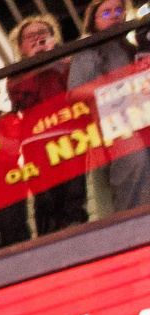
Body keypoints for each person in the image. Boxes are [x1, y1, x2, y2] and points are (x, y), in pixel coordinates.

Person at [8, 15, 88, 238]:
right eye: (30, 36)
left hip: (69, 135)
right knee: (45, 200)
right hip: (37, 143)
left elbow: (76, 93)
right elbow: (21, 102)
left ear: (53, 37)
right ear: (21, 45)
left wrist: (59, 67)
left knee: (74, 194)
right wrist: (37, 67)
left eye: (43, 33)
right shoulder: (16, 73)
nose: (37, 39)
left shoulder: (67, 64)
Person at [71, 3, 150, 220]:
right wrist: (117, 86)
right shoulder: (87, 50)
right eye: (106, 12)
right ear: (93, 19)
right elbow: (75, 92)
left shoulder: (133, 46)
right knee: (135, 167)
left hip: (141, 117)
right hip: (112, 124)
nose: (114, 16)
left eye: (119, 11)